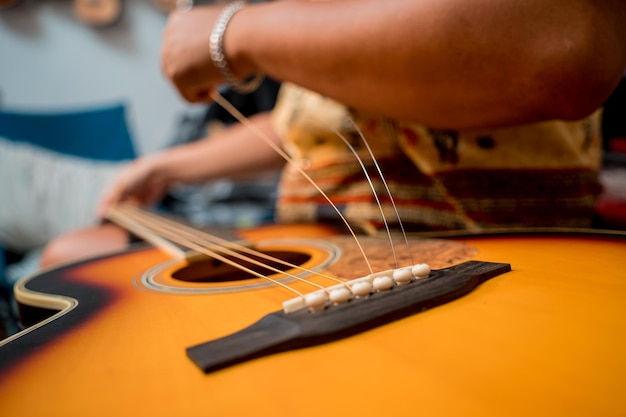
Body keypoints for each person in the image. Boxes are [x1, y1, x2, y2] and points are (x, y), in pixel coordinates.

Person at [40, 0, 626, 268]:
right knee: (69, 255)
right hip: (334, 242)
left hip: (479, 258)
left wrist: (230, 34)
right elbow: (322, 121)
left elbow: (564, 43)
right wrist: (165, 167)